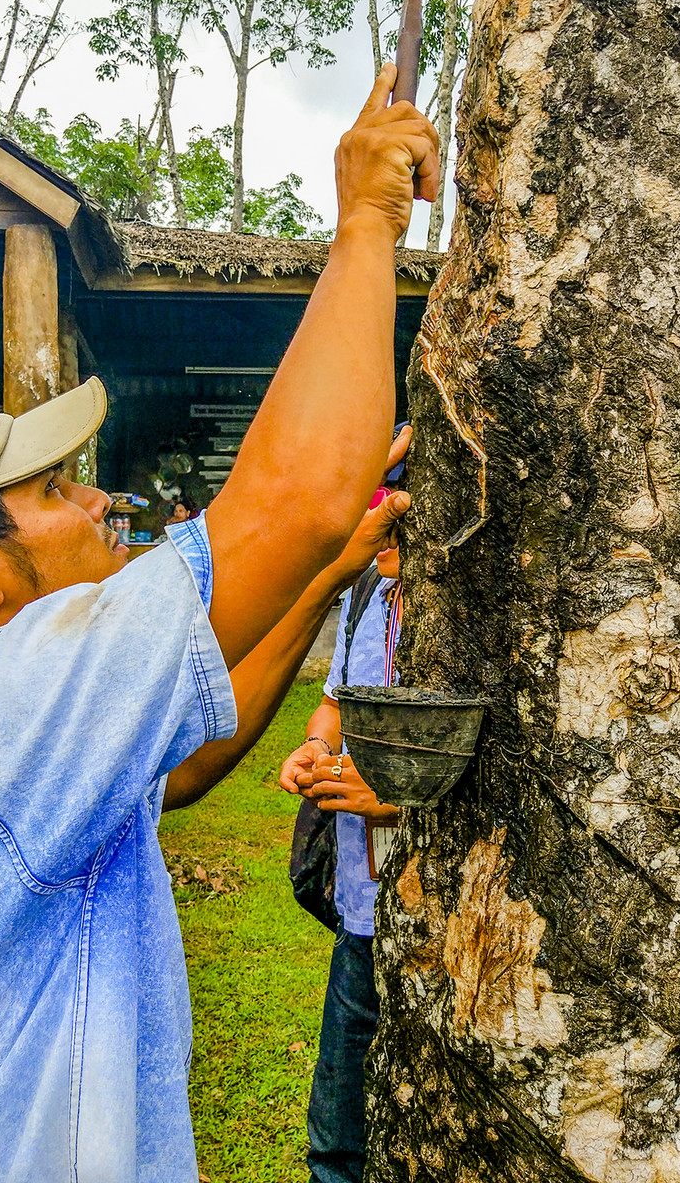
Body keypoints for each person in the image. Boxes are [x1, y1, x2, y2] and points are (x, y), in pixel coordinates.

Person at [0, 62, 437, 1182]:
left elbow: (177, 774)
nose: (99, 500)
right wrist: (367, 221)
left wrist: (322, 582)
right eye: (51, 493)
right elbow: (297, 495)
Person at [279, 431, 409, 1183]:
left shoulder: (482, 618)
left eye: (398, 507)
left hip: (453, 911)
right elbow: (333, 699)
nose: (382, 527)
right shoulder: (369, 591)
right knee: (336, 1135)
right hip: (363, 906)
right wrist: (313, 748)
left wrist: (398, 794)